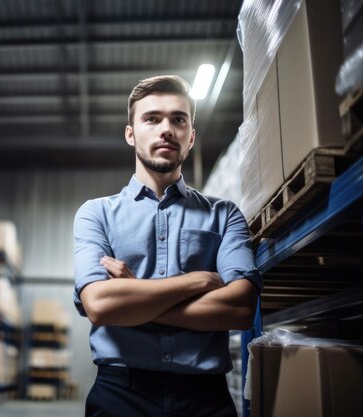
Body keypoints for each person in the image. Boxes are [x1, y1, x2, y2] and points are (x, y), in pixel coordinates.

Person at [73, 75, 262, 417]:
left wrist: (134, 296)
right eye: (152, 118)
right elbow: (100, 305)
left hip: (205, 398)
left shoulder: (224, 215)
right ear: (131, 134)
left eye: (178, 119)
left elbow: (241, 309)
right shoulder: (96, 214)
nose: (166, 129)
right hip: (121, 394)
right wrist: (199, 282)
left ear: (190, 137)